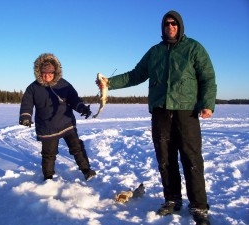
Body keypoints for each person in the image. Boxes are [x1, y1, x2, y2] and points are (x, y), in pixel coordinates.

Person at [96, 10, 216, 225]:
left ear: (180, 26)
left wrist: (207, 103)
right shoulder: (155, 52)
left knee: (192, 159)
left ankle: (198, 206)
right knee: (165, 159)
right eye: (166, 24)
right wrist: (110, 83)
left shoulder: (193, 48)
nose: (170, 26)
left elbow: (207, 77)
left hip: (186, 111)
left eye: (174, 23)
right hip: (161, 111)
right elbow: (135, 75)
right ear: (163, 27)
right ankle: (172, 200)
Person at [19, 53, 96, 181]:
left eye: (50, 73)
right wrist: (25, 116)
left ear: (55, 72)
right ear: (39, 72)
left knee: (77, 147)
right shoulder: (33, 88)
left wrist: (82, 108)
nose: (47, 76)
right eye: (44, 73)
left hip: (66, 123)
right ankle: (48, 177)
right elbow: (27, 103)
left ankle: (86, 170)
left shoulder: (64, 84)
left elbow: (74, 99)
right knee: (49, 154)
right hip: (47, 127)